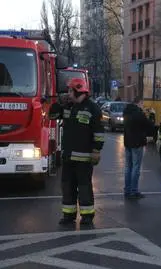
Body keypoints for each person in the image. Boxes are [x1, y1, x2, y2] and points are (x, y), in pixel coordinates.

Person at [49, 77, 104, 225]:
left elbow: (98, 131)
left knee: (84, 187)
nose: (67, 93)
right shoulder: (68, 106)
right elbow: (52, 116)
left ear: (78, 90)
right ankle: (69, 215)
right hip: (68, 157)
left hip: (84, 158)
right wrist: (58, 103)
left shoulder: (92, 108)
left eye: (69, 90)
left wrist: (96, 150)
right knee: (67, 186)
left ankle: (87, 216)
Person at [123, 96, 154, 199]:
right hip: (137, 143)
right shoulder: (139, 114)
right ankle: (134, 191)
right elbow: (149, 125)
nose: (143, 105)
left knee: (128, 167)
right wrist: (151, 115)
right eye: (142, 103)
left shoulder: (126, 112)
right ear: (139, 102)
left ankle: (127, 190)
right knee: (136, 167)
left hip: (127, 142)